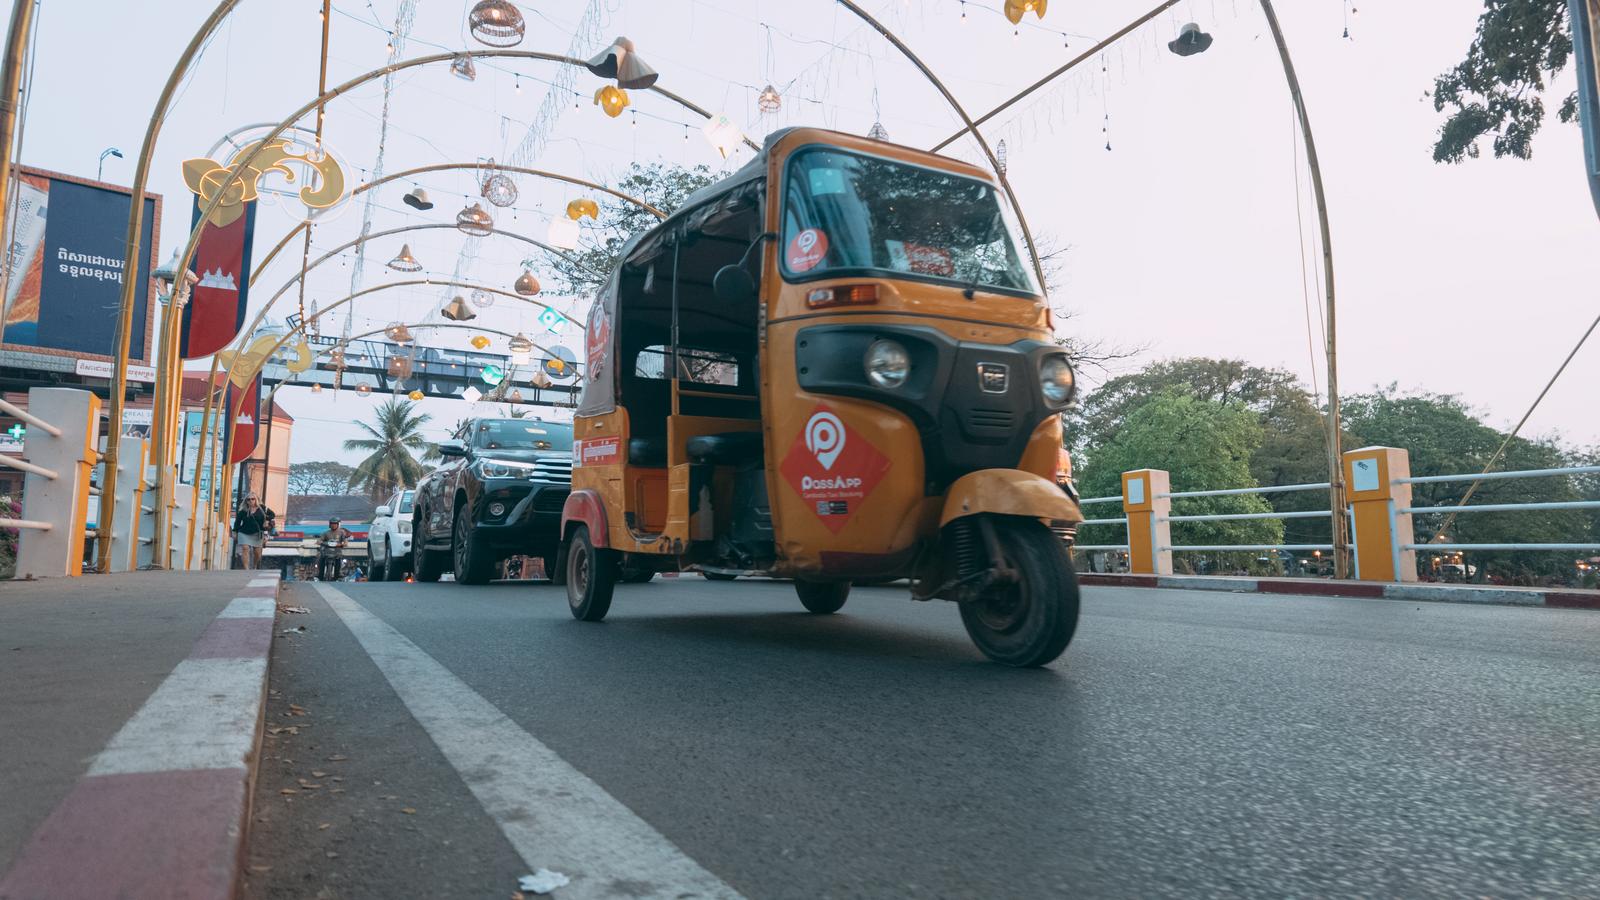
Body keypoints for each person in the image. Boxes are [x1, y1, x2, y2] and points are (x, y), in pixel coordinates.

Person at [233, 494, 268, 569]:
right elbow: (237, 522)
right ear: (246, 501)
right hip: (244, 532)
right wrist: (235, 532)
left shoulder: (262, 509)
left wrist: (267, 521)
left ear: (256, 500)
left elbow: (272, 515)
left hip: (257, 533)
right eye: (248, 499)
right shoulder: (243, 511)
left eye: (253, 499)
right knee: (245, 548)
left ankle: (254, 565)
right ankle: (246, 569)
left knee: (257, 553)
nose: (251, 501)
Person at [317, 516, 351, 581]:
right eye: (332, 524)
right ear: (329, 524)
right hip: (326, 552)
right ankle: (320, 576)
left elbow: (345, 542)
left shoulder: (342, 533)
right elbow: (319, 540)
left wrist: (341, 544)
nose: (333, 525)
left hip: (337, 552)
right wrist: (323, 543)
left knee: (339, 563)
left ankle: (337, 576)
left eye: (335, 524)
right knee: (321, 560)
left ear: (338, 524)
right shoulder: (326, 533)